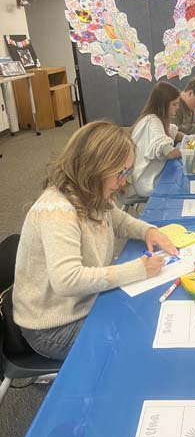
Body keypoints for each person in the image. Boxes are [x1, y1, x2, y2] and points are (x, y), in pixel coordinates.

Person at [13, 121, 177, 360]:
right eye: (120, 173)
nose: (123, 182)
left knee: (145, 314)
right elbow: (67, 281)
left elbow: (119, 220)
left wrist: (149, 231)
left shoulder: (91, 192)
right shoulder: (58, 210)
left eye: (127, 173)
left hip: (80, 304)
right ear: (96, 168)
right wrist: (137, 269)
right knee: (138, 338)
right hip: (52, 326)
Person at [131, 81, 184, 197]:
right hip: (147, 182)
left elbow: (173, 133)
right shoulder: (152, 122)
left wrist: (192, 138)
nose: (178, 107)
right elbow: (169, 153)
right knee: (183, 184)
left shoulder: (157, 119)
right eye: (174, 104)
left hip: (153, 174)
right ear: (163, 104)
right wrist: (192, 150)